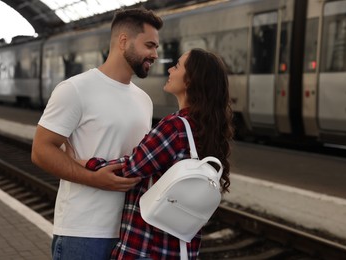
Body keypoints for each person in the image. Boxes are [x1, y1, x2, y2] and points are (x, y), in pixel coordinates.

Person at [31, 7, 163, 260]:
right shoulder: (75, 89)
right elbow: (41, 151)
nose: (155, 54)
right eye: (149, 45)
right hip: (83, 233)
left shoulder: (144, 100)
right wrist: (95, 180)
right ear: (123, 41)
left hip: (131, 232)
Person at [81, 48, 234, 259]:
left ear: (190, 80)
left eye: (177, 65)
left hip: (147, 248)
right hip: (181, 249)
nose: (170, 68)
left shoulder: (175, 126)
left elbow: (131, 168)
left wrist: (86, 162)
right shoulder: (209, 130)